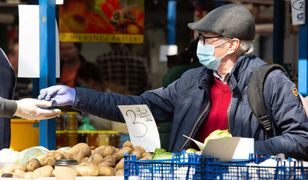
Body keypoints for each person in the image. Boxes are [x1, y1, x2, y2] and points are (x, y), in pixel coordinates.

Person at [38, 4, 308, 160]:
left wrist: (244, 148)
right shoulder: (192, 81)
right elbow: (140, 105)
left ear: (232, 45)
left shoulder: (270, 81)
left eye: (206, 39)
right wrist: (78, 97)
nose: (198, 45)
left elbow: (300, 139)